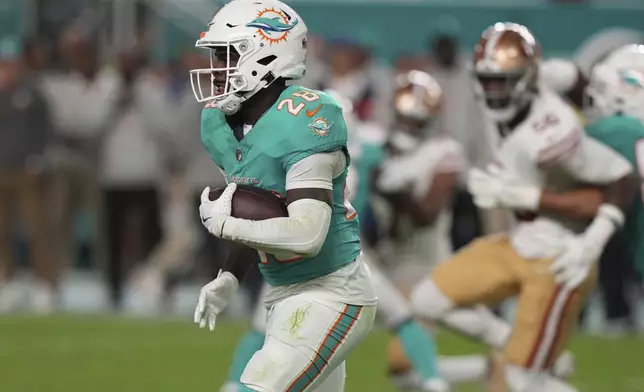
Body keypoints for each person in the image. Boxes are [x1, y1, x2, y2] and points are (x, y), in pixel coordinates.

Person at [409, 23, 637, 392]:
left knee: (521, 381)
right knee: (426, 300)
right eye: (488, 80)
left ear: (526, 78)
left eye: (504, 80)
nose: (494, 90)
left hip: (558, 257)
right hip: (518, 241)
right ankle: (509, 339)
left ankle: (529, 359)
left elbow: (620, 177)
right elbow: (571, 76)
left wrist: (588, 238)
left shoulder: (554, 132)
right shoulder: (543, 77)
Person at [190, 1, 377, 391]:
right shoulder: (220, 123)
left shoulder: (308, 118)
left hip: (332, 290)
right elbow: (255, 206)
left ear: (266, 55)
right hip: (281, 291)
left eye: (227, 55)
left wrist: (226, 222)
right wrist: (229, 276)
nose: (215, 70)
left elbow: (308, 234)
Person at [218, 89, 449, 392]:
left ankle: (235, 385)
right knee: (396, 316)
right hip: (331, 255)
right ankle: (434, 380)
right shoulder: (360, 152)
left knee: (269, 331)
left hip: (312, 256)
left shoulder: (302, 149)